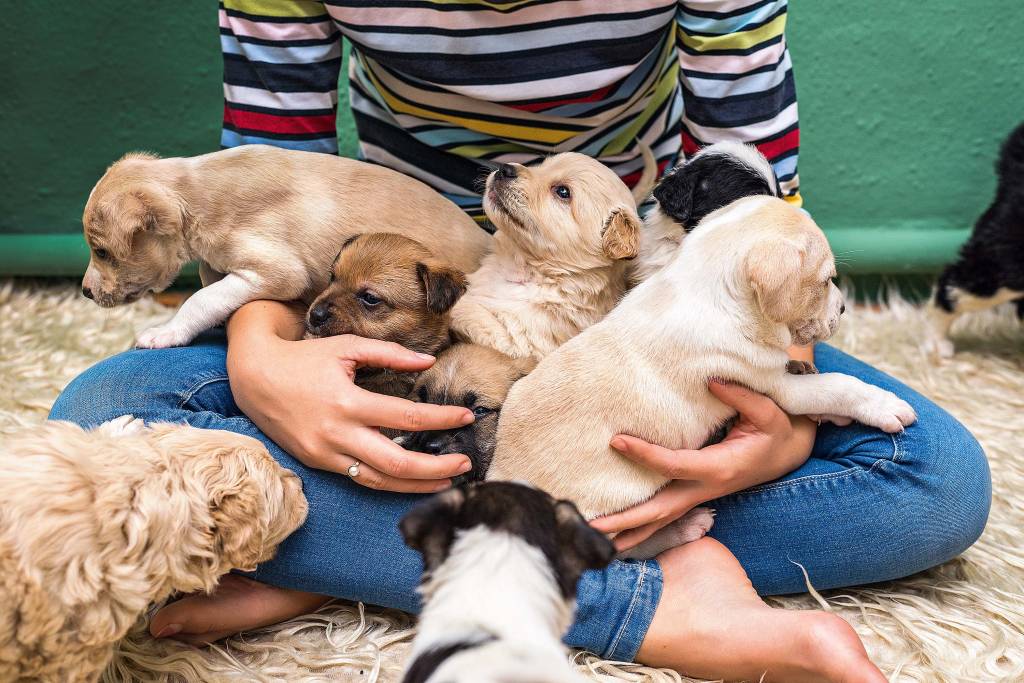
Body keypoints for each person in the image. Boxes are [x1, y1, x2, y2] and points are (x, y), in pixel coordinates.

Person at [50, 1, 991, 680]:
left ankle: (355, 555)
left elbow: (759, 213)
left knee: (936, 482)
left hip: (645, 314)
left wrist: (772, 421)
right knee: (98, 410)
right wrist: (266, 367)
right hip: (389, 289)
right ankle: (645, 586)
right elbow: (264, 193)